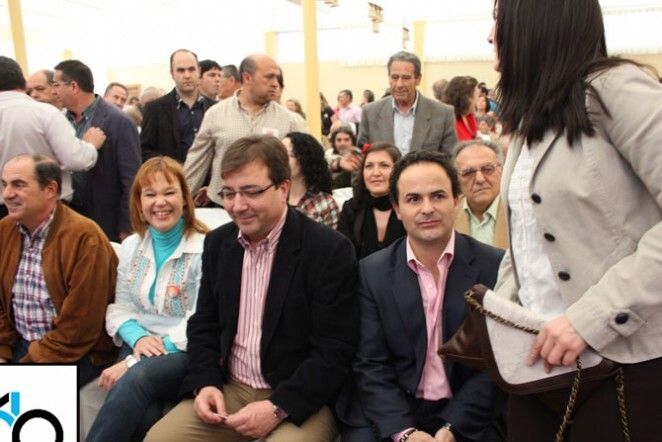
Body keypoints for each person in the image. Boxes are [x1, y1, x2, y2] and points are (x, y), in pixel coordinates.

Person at [489, 0, 662, 440]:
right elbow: (526, 240)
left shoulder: (616, 89)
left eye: (498, 21)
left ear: (535, 26)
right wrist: (503, 315)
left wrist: (590, 318)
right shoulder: (530, 119)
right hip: (537, 363)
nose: (492, 36)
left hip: (622, 364)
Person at [145, 135, 358, 442]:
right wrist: (205, 383)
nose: (237, 206)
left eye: (251, 192)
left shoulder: (328, 250)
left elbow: (335, 350)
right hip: (232, 388)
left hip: (302, 398)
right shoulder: (219, 243)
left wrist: (277, 407)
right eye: (229, 193)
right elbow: (204, 324)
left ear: (283, 188)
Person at [337, 150, 504, 442]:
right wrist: (405, 433)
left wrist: (452, 428)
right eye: (413, 199)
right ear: (397, 209)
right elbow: (371, 364)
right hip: (392, 410)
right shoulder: (372, 273)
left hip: (467, 409)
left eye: (438, 196)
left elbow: (494, 363)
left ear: (456, 200)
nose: (427, 209)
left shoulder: (494, 266)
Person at [85, 157, 208, 442]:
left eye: (169, 192)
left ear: (185, 199)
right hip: (138, 342)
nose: (159, 202)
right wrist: (139, 339)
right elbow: (121, 307)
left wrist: (133, 361)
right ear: (139, 204)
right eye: (150, 194)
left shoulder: (205, 247)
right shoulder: (131, 245)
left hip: (183, 348)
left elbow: (201, 321)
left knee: (135, 379)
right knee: (146, 416)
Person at [0, 154, 117, 387]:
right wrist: (2, 350)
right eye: (5, 184)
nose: (7, 194)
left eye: (18, 185)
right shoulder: (5, 230)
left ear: (50, 190)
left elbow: (79, 329)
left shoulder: (85, 238)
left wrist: (20, 370)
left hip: (76, 354)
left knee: (17, 403)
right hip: (20, 344)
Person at [183, 54, 306, 207]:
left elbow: (307, 165)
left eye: (277, 78)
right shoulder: (216, 114)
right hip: (223, 207)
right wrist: (181, 201)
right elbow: (197, 162)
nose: (275, 83)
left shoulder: (291, 120)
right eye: (269, 77)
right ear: (247, 78)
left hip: (270, 210)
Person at [0, 56, 104, 219]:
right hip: (46, 210)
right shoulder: (44, 113)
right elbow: (76, 160)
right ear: (23, 84)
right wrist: (90, 145)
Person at [53, 59, 141, 242]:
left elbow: (132, 178)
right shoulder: (60, 121)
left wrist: (127, 225)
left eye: (56, 85)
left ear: (73, 86)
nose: (54, 91)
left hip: (106, 221)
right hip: (69, 218)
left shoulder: (119, 122)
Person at [358, 51, 456, 156]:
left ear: (418, 79)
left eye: (406, 78)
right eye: (394, 77)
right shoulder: (370, 112)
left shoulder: (443, 114)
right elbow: (362, 156)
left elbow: (449, 159)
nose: (399, 84)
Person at [141, 49, 217, 163]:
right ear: (172, 73)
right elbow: (145, 150)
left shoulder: (216, 108)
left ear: (199, 71)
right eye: (181, 70)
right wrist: (170, 167)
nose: (187, 75)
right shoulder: (155, 109)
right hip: (173, 173)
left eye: (191, 69)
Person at [338, 142, 405, 259]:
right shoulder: (351, 208)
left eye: (384, 165)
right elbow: (343, 256)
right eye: (369, 166)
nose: (376, 173)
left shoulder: (409, 208)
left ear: (398, 171)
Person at [453, 140, 508, 249]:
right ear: (457, 179)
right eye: (468, 173)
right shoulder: (449, 215)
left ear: (501, 171)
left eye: (487, 169)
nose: (480, 179)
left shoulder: (519, 210)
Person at [282, 132, 339, 229]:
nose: (280, 159)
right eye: (278, 153)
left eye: (287, 154)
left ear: (304, 159)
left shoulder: (324, 203)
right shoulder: (272, 195)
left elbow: (330, 238)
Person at [444, 76, 480, 141]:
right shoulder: (450, 123)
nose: (478, 100)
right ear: (468, 98)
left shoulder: (469, 116)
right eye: (477, 96)